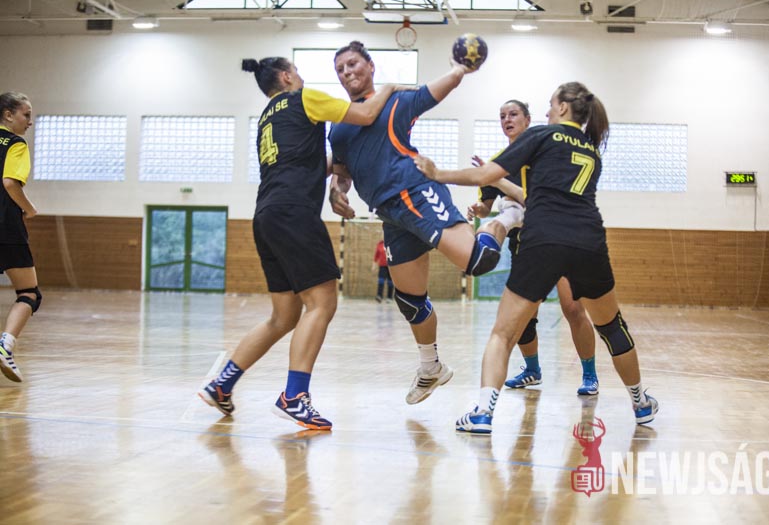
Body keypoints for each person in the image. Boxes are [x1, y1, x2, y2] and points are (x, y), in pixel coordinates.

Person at [414, 81, 658, 432]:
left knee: (503, 333)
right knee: (612, 327)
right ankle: (640, 403)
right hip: (589, 241)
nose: (546, 111)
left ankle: (482, 413)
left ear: (563, 108)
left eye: (550, 104)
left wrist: (438, 173)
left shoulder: (542, 135)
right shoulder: (592, 149)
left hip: (543, 239)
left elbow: (486, 174)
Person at [199, 57, 402, 430]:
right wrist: (391, 87)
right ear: (287, 76)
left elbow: (304, 162)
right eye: (299, 71)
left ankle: (222, 384)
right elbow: (367, 114)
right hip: (294, 212)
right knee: (322, 303)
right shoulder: (304, 98)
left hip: (266, 214)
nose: (303, 77)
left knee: (283, 317)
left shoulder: (266, 118)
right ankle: (294, 397)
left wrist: (337, 173)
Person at [327, 41, 518, 406]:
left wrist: (460, 69)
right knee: (410, 300)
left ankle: (509, 215)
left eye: (352, 64)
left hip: (414, 191)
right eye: (340, 69)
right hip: (388, 211)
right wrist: (336, 191)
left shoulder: (394, 102)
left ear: (370, 66)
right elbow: (342, 171)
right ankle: (431, 368)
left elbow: (433, 91)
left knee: (479, 260)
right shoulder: (339, 126)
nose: (347, 72)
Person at [469, 99, 599, 396]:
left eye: (513, 114)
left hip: (559, 238)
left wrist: (499, 181)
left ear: (528, 120)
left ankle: (590, 374)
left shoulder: (545, 154)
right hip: (525, 245)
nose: (507, 120)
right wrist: (478, 209)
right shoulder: (496, 162)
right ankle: (532, 370)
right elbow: (486, 204)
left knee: (573, 308)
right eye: (502, 116)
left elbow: (535, 198)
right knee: (523, 316)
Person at [0, 92, 40, 383]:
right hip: (6, 226)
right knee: (29, 293)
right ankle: (5, 345)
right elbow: (10, 183)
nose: (30, 121)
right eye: (26, 114)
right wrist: (29, 208)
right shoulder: (15, 143)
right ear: (8, 115)